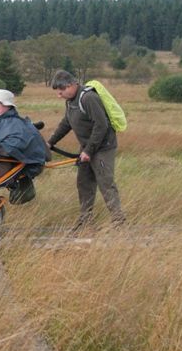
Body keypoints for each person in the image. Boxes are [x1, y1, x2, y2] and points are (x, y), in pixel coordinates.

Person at [47, 70, 125, 231]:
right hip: (87, 147)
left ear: (70, 85)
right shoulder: (70, 101)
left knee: (106, 183)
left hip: (103, 147)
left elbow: (101, 125)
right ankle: (86, 220)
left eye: (61, 91)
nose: (59, 95)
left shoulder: (88, 98)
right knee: (84, 183)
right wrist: (50, 142)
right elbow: (66, 123)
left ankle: (119, 221)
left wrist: (88, 151)